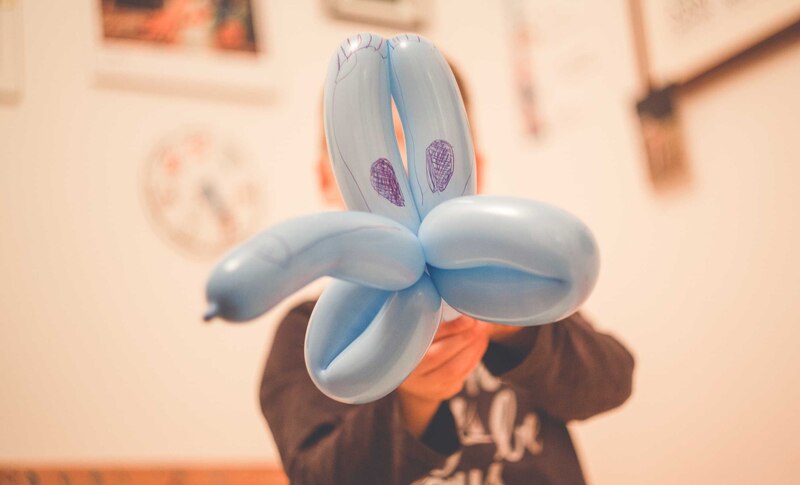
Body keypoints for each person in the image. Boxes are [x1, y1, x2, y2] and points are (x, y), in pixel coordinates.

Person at [260, 61, 635, 485]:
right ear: (328, 180)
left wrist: (512, 329)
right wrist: (413, 401)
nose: (404, 173)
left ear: (474, 167)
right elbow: (318, 476)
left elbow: (612, 382)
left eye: (425, 149)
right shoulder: (309, 335)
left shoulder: (521, 289)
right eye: (382, 150)